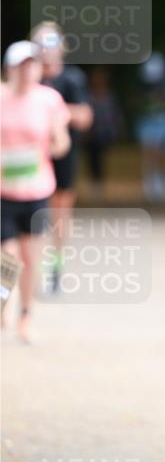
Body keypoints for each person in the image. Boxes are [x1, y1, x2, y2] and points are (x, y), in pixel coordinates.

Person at [1, 41, 70, 342]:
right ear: (10, 68)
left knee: (29, 258)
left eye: (33, 64)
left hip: (37, 189)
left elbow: (62, 141)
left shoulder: (50, 99)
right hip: (4, 191)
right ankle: (3, 304)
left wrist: (51, 147)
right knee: (8, 256)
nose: (28, 70)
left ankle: (25, 316)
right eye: (22, 64)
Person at [31, 21, 92, 292]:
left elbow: (84, 117)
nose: (47, 49)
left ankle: (54, 265)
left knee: (59, 212)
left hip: (63, 153)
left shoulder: (72, 79)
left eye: (52, 43)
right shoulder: (27, 75)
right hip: (31, 154)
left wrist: (53, 111)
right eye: (42, 43)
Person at [134, 52, 165, 201]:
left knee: (162, 153)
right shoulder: (141, 85)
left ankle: (162, 182)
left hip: (162, 121)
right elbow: (136, 103)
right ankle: (150, 184)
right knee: (149, 152)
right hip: (147, 121)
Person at [83, 68, 124, 198]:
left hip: (106, 134)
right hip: (92, 134)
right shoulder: (88, 95)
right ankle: (96, 185)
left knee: (102, 160)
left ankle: (100, 185)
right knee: (93, 160)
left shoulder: (109, 96)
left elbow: (115, 115)